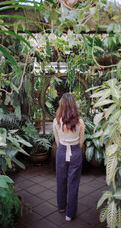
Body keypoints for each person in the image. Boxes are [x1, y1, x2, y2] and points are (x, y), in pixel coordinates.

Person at [53, 93, 85, 221]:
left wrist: (64, 145)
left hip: (61, 151)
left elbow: (57, 140)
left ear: (61, 105)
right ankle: (70, 214)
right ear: (73, 106)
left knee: (60, 179)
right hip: (75, 152)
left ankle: (61, 206)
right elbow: (81, 142)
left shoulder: (56, 121)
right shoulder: (80, 122)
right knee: (73, 183)